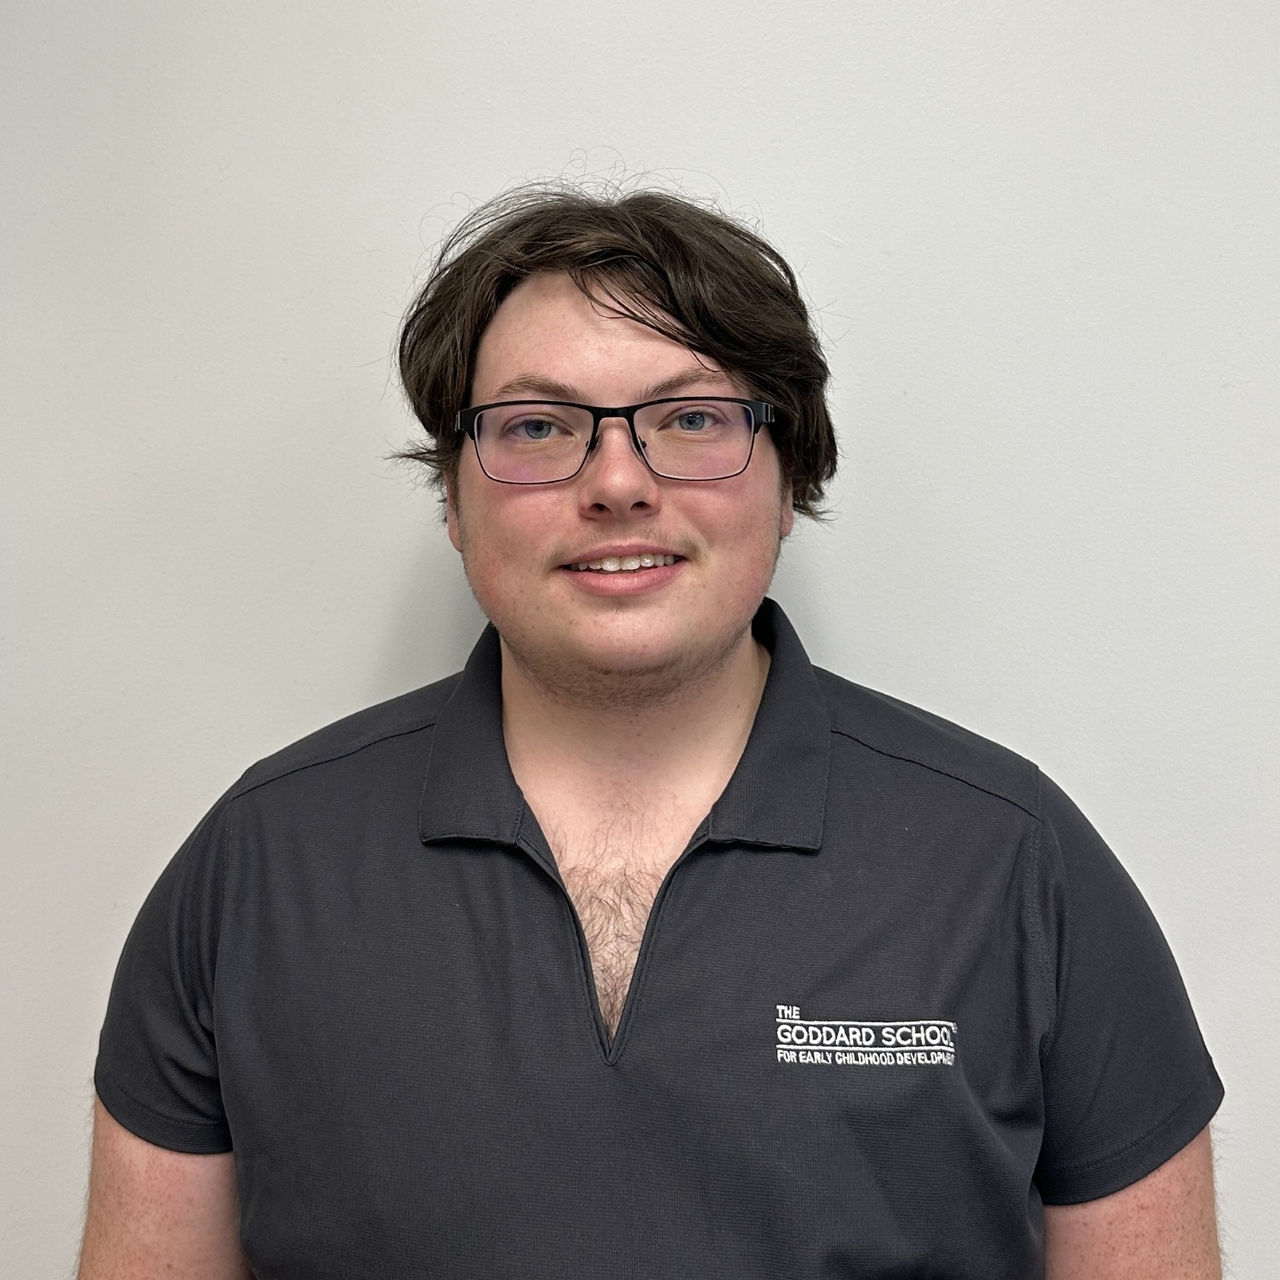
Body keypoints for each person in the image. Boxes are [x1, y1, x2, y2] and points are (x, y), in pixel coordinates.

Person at [79, 186, 1224, 1279]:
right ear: (452, 496)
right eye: (538, 425)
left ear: (788, 478)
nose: (618, 482)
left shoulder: (1011, 859)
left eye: (690, 418)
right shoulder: (258, 864)